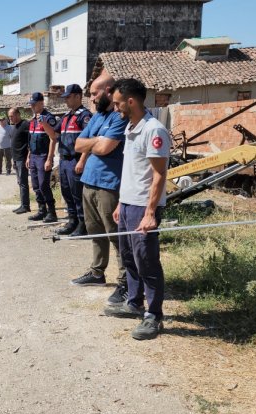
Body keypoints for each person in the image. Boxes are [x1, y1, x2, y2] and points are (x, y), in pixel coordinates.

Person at [104, 78, 171, 340]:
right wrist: (121, 202)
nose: (116, 107)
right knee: (129, 257)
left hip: (144, 207)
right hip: (128, 204)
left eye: (118, 103)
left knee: (147, 261)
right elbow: (131, 171)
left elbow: (158, 175)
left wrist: (150, 213)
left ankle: (153, 315)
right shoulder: (131, 128)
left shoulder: (154, 131)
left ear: (131, 101)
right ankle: (134, 302)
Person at [70, 73, 128, 304]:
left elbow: (106, 148)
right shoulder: (98, 116)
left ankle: (125, 282)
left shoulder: (119, 116)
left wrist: (95, 142)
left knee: (116, 235)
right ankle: (97, 272)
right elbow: (78, 144)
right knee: (95, 232)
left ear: (109, 90)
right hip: (90, 181)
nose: (92, 99)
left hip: (110, 184)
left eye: (95, 93)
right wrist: (97, 140)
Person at [55, 84, 92, 236]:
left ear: (78, 96)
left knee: (77, 194)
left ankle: (83, 224)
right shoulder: (66, 116)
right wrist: (44, 123)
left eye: (68, 97)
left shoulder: (85, 116)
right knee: (67, 192)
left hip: (75, 160)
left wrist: (82, 160)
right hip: (64, 160)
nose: (66, 101)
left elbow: (89, 140)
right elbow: (54, 135)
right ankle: (72, 221)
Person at [26, 92, 59, 223]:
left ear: (41, 103)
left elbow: (53, 138)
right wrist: (28, 157)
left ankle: (52, 212)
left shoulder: (48, 118)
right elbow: (31, 140)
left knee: (43, 185)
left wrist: (50, 158)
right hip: (33, 155)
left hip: (43, 156)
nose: (32, 107)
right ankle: (41, 210)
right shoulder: (33, 120)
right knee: (35, 185)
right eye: (31, 105)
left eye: (34, 104)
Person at [8, 108, 31, 214]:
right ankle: (22, 204)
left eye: (12, 116)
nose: (10, 118)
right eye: (9, 116)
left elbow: (30, 141)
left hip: (22, 158)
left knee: (23, 182)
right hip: (16, 159)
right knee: (20, 182)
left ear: (18, 114)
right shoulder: (15, 126)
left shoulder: (25, 124)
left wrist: (28, 157)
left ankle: (26, 206)